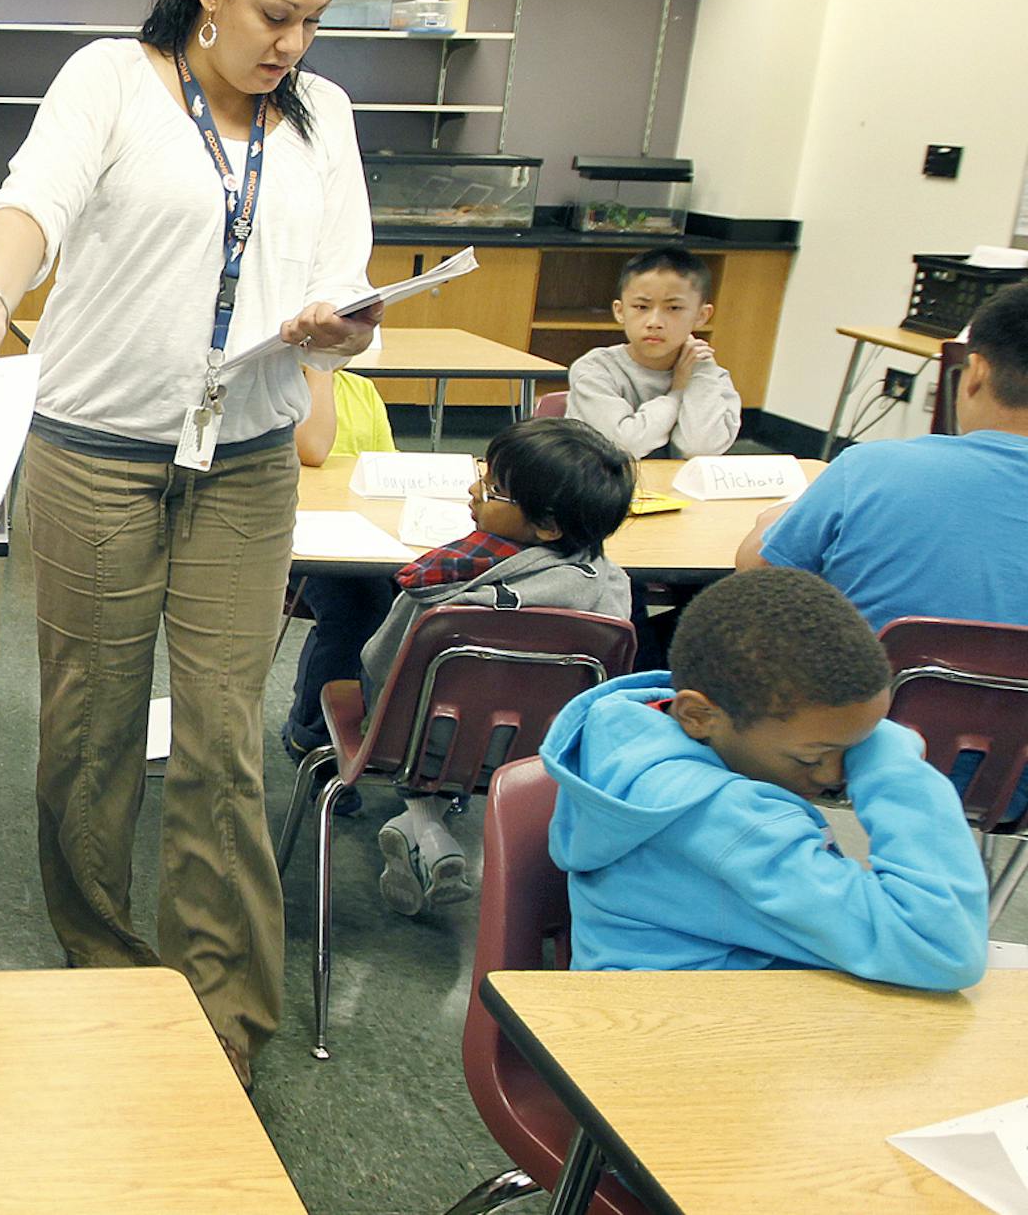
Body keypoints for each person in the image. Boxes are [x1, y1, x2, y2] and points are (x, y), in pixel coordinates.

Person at [0, 0, 380, 1087]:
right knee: (89, 733)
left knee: (224, 740)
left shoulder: (323, 117)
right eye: (276, 14)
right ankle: (107, 975)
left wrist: (341, 332)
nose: (294, 42)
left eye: (314, 20)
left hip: (243, 465)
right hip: (94, 459)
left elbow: (348, 284)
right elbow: (34, 204)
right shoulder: (112, 80)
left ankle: (220, 1017)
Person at [540, 568, 987, 990]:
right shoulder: (724, 822)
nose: (835, 777)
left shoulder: (642, 733)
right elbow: (941, 946)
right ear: (698, 714)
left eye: (850, 751)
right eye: (812, 757)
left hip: (689, 1017)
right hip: (694, 1048)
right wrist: (893, 764)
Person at [739, 283, 1028, 822]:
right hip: (1016, 786)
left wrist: (772, 523)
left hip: (853, 758)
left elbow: (757, 578)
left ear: (978, 372)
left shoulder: (872, 468)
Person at [354, 417, 634, 914]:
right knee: (483, 721)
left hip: (416, 742)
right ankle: (424, 828)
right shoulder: (611, 593)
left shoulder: (448, 587)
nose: (473, 488)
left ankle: (424, 822)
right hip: (541, 756)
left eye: (494, 488)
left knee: (388, 695)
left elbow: (380, 665)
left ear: (547, 523)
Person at [281, 367, 397, 763]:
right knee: (357, 607)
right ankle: (311, 737)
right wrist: (319, 371)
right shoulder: (277, 385)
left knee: (418, 597)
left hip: (363, 535)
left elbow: (386, 472)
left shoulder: (361, 389)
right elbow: (312, 450)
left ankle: (392, 734)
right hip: (295, 535)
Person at [565, 249, 741, 459]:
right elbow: (622, 447)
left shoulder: (713, 377)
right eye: (641, 306)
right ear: (620, 311)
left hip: (672, 489)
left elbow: (699, 449)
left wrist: (701, 372)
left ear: (701, 315)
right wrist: (676, 394)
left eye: (674, 308)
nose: (654, 322)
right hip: (600, 487)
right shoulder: (595, 369)